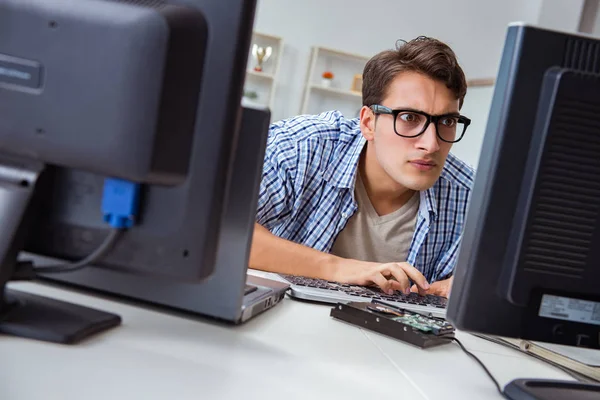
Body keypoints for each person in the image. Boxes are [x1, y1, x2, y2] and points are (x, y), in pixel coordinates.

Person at [250, 36, 474, 298]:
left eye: (447, 121)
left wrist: (469, 288)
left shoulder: (471, 196)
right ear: (368, 123)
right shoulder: (304, 145)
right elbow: (219, 227)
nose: (432, 143)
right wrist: (340, 268)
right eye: (409, 118)